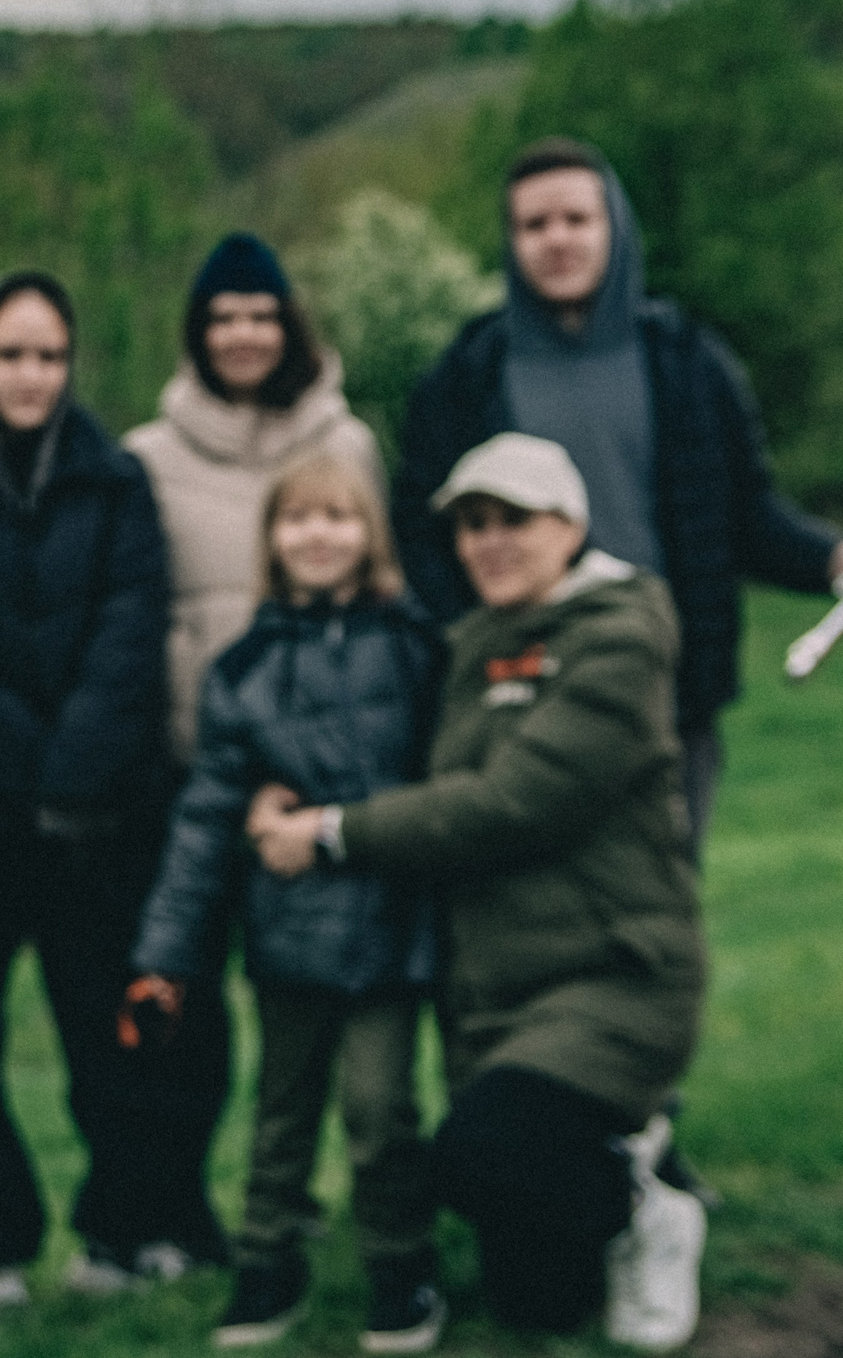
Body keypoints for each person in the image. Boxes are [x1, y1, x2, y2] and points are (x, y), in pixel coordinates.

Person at [254, 434, 707, 1351]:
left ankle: (650, 1204)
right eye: (471, 524)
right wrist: (275, 786)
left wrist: (331, 831)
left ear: (570, 527)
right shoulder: (464, 644)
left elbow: (510, 804)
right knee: (536, 1303)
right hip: (492, 996)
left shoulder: (619, 639)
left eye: (514, 521)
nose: (489, 543)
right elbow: (380, 743)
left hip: (610, 972)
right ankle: (611, 1161)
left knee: (481, 1151)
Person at [0, 270, 227, 1339]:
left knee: (111, 1043)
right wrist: (33, 762)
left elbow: (131, 627)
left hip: (95, 819)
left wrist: (71, 769)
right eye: (9, 354)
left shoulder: (115, 483)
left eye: (49, 355)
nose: (30, 375)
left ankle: (121, 1232)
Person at [391, 139, 843, 854]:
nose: (557, 239)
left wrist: (833, 557)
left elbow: (744, 515)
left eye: (576, 219)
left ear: (614, 227)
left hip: (665, 696)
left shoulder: (686, 362)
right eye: (534, 224)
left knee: (655, 900)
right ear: (511, 242)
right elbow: (421, 538)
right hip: (517, 700)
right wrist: (469, 645)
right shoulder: (467, 374)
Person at [127, 453, 445, 1354]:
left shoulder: (417, 646)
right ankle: (267, 1263)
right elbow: (206, 817)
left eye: (338, 516)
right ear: (271, 538)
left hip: (391, 926)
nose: (318, 534)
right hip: (288, 932)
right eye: (298, 518)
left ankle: (400, 1266)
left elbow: (448, 778)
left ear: (370, 533)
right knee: (281, 1114)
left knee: (381, 1111)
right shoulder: (245, 669)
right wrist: (164, 954)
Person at [124, 232, 384, 758]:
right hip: (193, 743)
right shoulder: (147, 458)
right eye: (223, 318)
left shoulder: (346, 444)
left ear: (290, 326)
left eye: (262, 317)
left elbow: (380, 587)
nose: (243, 335)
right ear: (198, 332)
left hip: (331, 741)